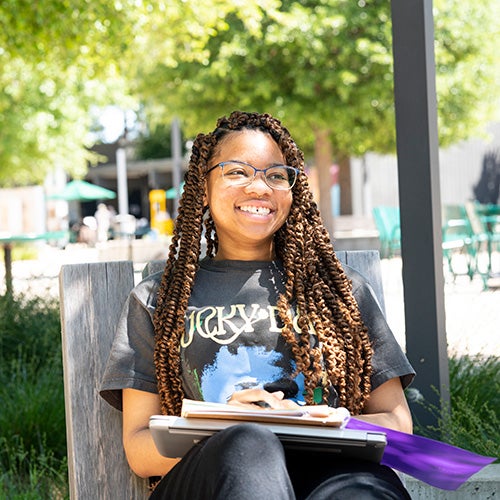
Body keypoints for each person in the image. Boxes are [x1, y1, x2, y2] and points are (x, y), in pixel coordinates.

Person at [100, 111, 415, 499]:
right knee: (250, 444)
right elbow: (140, 450)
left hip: (328, 469)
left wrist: (336, 422)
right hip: (216, 477)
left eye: (277, 175)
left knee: (363, 491)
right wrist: (233, 423)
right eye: (237, 172)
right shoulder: (157, 299)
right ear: (203, 186)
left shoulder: (340, 292)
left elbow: (398, 426)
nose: (260, 187)